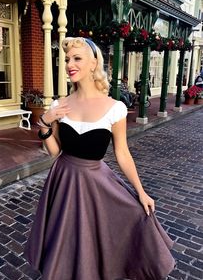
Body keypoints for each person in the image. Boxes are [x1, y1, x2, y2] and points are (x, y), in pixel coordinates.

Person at [24, 37, 175, 280]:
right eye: (66, 60)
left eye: (76, 58)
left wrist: (141, 191)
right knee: (65, 245)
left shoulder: (115, 107)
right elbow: (55, 152)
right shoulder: (60, 105)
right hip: (63, 182)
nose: (69, 64)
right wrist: (45, 121)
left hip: (96, 186)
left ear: (94, 63)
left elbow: (122, 153)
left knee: (94, 242)